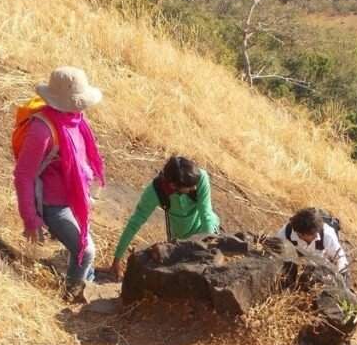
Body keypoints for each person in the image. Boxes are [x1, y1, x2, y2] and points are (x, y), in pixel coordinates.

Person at [14, 66, 106, 300]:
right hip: (54, 205)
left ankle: (89, 283)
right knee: (85, 252)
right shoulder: (42, 131)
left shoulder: (75, 119)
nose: (83, 106)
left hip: (74, 199)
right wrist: (30, 218)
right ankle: (72, 296)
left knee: (84, 247)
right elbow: (23, 175)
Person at [111, 155, 219, 279]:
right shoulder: (154, 191)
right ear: (173, 186)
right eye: (190, 187)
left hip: (206, 232)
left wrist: (208, 250)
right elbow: (135, 222)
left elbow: (206, 215)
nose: (195, 187)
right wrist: (117, 258)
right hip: (180, 239)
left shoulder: (200, 178)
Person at [280, 207, 349, 278]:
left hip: (321, 263)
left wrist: (338, 276)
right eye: (312, 234)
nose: (316, 236)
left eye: (316, 232)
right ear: (300, 233)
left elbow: (341, 260)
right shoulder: (285, 234)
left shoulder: (327, 235)